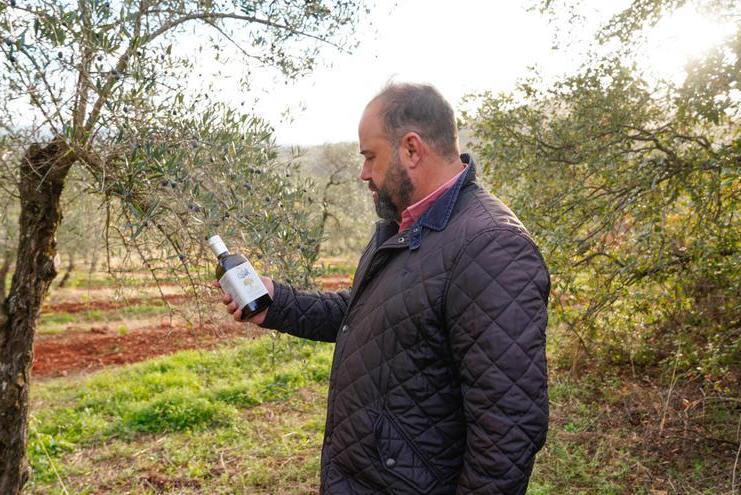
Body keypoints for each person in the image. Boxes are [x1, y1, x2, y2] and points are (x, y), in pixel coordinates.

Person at [217, 82, 550, 494]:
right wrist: (278, 303)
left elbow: (508, 427)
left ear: (411, 149)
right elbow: (366, 314)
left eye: (370, 157)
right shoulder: (402, 226)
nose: (363, 172)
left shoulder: (491, 245)